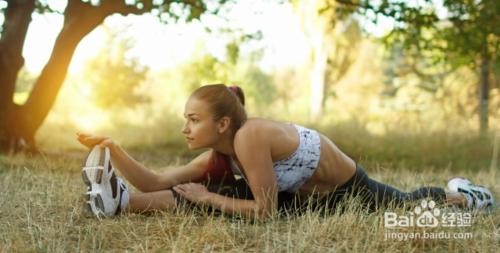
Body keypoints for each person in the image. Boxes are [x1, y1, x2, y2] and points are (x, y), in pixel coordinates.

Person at [77, 84, 494, 219]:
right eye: (186, 119)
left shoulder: (250, 137)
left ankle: (466, 196)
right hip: (301, 200)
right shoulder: (220, 154)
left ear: (222, 123)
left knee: (407, 207)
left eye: (193, 119)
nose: (184, 127)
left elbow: (266, 211)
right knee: (196, 195)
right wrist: (114, 148)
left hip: (347, 192)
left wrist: (210, 196)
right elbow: (158, 179)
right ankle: (121, 200)